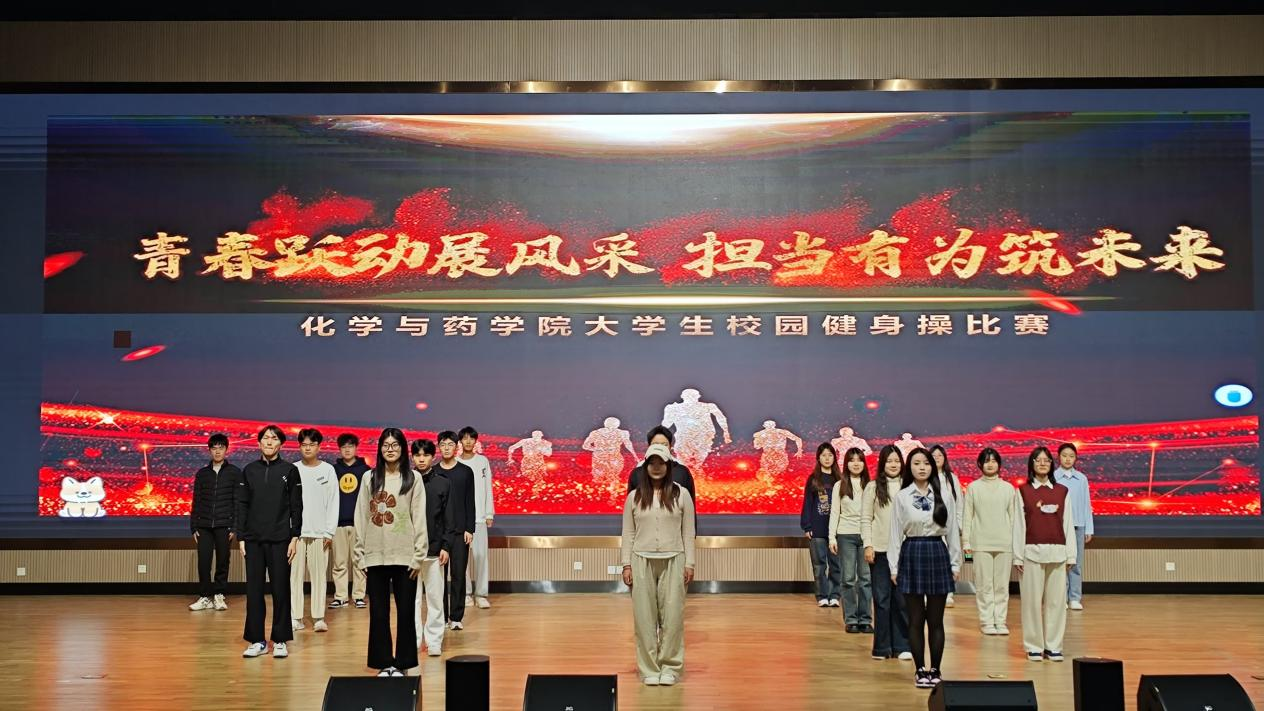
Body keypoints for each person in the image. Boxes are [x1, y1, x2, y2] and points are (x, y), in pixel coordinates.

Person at [620, 443, 697, 687]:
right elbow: (628, 533)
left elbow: (688, 532)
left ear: (668, 465)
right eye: (651, 462)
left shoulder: (681, 494)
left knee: (672, 618)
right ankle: (649, 668)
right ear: (645, 466)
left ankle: (670, 667)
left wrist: (690, 563)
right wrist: (626, 565)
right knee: (644, 619)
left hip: (674, 559)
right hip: (640, 560)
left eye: (661, 462)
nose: (656, 467)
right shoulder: (634, 496)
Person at [354, 428, 427, 677]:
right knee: (378, 613)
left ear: (403, 448)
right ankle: (384, 663)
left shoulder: (413, 479)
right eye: (386, 445)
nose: (390, 449)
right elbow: (361, 516)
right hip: (376, 555)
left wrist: (418, 555)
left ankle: (403, 663)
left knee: (406, 612)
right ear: (380, 449)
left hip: (405, 556)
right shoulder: (369, 478)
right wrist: (360, 554)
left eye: (395, 445)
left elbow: (419, 518)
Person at [889, 447, 961, 689]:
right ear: (909, 467)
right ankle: (920, 669)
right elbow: (894, 534)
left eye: (926, 463)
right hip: (912, 552)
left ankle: (936, 670)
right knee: (916, 618)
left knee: (936, 619)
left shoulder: (944, 494)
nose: (922, 467)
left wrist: (955, 563)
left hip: (937, 552)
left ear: (933, 466)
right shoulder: (902, 496)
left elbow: (952, 531)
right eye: (917, 463)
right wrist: (893, 567)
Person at [237, 425, 303, 659]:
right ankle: (257, 640)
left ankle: (281, 639)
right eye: (265, 438)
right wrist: (241, 536)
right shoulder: (249, 470)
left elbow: (296, 506)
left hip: (280, 539)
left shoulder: (290, 470)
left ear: (280, 444)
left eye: (274, 439)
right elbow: (242, 504)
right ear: (259, 443)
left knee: (280, 590)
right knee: (254, 591)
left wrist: (295, 536)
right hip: (253, 540)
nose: (269, 442)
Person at [1013, 446, 1075, 663]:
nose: (1042, 463)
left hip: (1058, 553)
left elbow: (1068, 524)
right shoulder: (1023, 491)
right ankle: (1033, 646)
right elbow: (1018, 525)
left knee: (1056, 603)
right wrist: (1017, 555)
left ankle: (1053, 646)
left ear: (1051, 464)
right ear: (1031, 464)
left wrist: (1071, 555)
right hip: (1031, 553)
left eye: (1046, 460)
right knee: (1031, 603)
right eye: (1038, 460)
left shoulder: (1062, 491)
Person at [861, 445, 912, 661]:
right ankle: (882, 648)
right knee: (881, 600)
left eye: (897, 461)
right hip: (880, 551)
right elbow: (866, 519)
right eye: (889, 461)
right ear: (882, 463)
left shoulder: (908, 487)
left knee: (902, 601)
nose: (894, 465)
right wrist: (868, 545)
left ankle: (902, 645)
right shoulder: (872, 487)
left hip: (904, 551)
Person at [962, 448, 1016, 635]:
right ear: (980, 464)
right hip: (980, 543)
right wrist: (966, 544)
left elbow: (1014, 518)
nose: (990, 464)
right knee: (984, 585)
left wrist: (1014, 543)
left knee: (1001, 586)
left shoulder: (1008, 488)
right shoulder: (973, 488)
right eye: (986, 461)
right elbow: (967, 517)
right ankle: (986, 621)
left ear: (999, 464)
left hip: (1004, 543)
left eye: (994, 461)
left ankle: (1000, 621)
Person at [291, 428, 339, 633]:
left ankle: (319, 617)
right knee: (294, 576)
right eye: (304, 444)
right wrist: (290, 532)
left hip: (320, 533)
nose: (308, 448)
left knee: (319, 576)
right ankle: (296, 617)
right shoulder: (292, 469)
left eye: (311, 444)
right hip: (297, 534)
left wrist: (329, 532)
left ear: (319, 447)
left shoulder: (328, 470)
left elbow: (333, 501)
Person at [412, 439, 455, 657]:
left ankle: (434, 640)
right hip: (410, 551)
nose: (421, 459)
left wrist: (446, 545)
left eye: (425, 455)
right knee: (411, 601)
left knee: (436, 598)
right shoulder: (406, 481)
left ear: (433, 457)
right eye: (417, 455)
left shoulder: (442, 483)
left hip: (435, 549)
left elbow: (449, 518)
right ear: (412, 457)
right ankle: (413, 640)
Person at [189, 433, 241, 612]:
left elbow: (237, 501)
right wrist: (193, 526)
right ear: (209, 450)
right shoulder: (202, 474)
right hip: (203, 525)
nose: (217, 451)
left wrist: (235, 526)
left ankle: (219, 594)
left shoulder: (234, 473)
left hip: (224, 525)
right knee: (203, 562)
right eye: (214, 448)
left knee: (222, 561)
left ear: (226, 450)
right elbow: (196, 500)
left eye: (221, 448)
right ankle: (205, 597)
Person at [829, 447, 872, 632]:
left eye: (859, 459)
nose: (856, 463)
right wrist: (832, 537)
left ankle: (865, 619)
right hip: (845, 535)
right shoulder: (839, 485)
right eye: (852, 460)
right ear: (846, 464)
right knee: (847, 579)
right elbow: (834, 513)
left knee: (865, 579)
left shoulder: (871, 485)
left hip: (866, 536)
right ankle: (851, 619)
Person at [437, 431, 476, 630]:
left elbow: (470, 501)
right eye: (443, 444)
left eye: (450, 444)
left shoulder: (465, 472)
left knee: (459, 574)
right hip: (439, 533)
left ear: (456, 447)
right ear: (438, 447)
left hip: (461, 531)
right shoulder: (433, 471)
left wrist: (470, 528)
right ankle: (441, 616)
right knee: (439, 577)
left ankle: (456, 617)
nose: (446, 448)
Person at [330, 433, 370, 610]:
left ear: (356, 448)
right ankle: (340, 597)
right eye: (344, 447)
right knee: (339, 563)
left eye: (350, 446)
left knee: (359, 561)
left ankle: (359, 595)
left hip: (359, 523)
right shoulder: (333, 470)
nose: (347, 450)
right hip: (338, 523)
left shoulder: (366, 470)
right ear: (339, 449)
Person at [458, 426, 495, 611]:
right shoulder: (455, 462)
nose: (468, 441)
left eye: (471, 438)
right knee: (461, 559)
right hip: (460, 519)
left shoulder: (482, 461)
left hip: (479, 517)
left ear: (475, 441)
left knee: (480, 557)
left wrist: (489, 513)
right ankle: (465, 593)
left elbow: (488, 487)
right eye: (465, 438)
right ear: (460, 441)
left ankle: (481, 594)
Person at [800, 442, 840, 608]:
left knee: (836, 565)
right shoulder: (813, 479)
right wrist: (807, 526)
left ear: (834, 458)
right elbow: (808, 503)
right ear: (818, 458)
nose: (827, 458)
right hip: (817, 528)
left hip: (836, 530)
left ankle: (835, 595)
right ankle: (822, 596)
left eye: (830, 455)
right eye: (824, 455)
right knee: (819, 565)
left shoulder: (840, 479)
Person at [1054, 443, 1094, 611]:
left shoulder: (1081, 479)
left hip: (1078, 526)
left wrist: (1089, 528)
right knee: (1060, 563)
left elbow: (1086, 504)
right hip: (1058, 526)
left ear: (1076, 458)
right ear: (1059, 457)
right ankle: (1061, 598)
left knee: (1076, 563)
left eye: (1071, 456)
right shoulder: (1053, 477)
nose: (1068, 459)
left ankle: (1075, 598)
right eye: (1064, 455)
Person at [627, 426, 698, 506]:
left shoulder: (682, 472)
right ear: (649, 447)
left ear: (670, 447)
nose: (660, 448)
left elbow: (689, 505)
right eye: (655, 444)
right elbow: (631, 504)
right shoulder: (637, 472)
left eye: (664, 445)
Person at [929, 445, 963, 607]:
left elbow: (959, 503)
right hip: (930, 526)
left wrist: (959, 524)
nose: (936, 458)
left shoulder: (952, 478)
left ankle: (948, 592)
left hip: (949, 525)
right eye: (933, 455)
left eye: (940, 455)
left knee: (950, 558)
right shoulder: (925, 477)